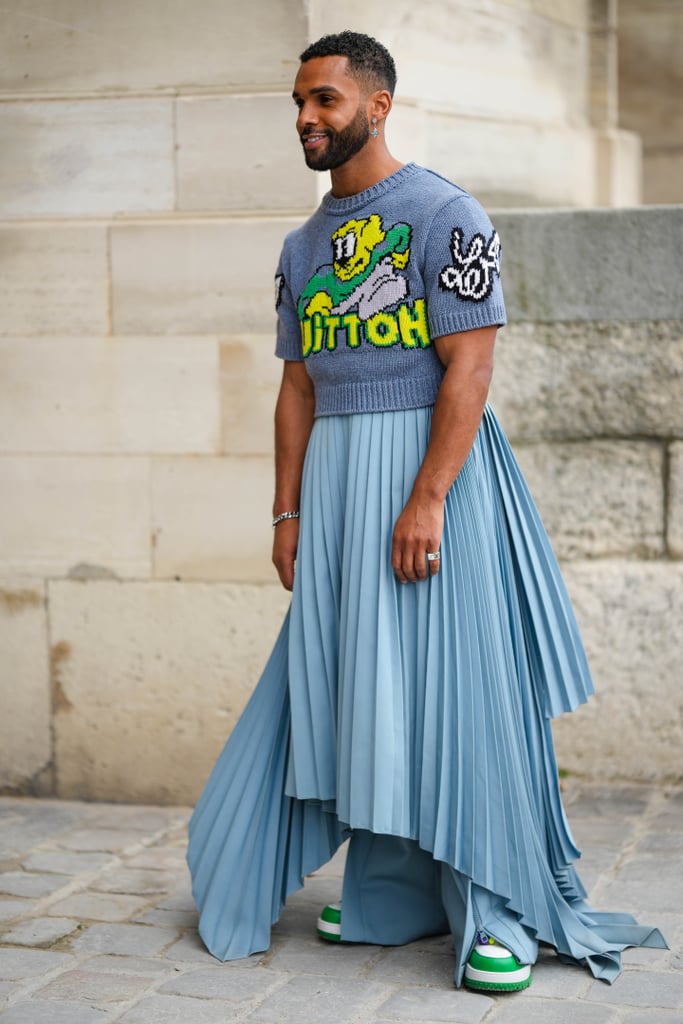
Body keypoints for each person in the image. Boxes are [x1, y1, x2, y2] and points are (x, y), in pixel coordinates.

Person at [187, 30, 666, 992]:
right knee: (364, 684)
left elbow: (472, 368)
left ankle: (495, 907)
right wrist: (286, 517)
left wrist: (428, 499)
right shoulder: (303, 245)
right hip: (332, 494)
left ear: (378, 103)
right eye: (298, 102)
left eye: (324, 100)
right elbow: (296, 389)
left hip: (428, 486)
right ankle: (395, 893)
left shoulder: (446, 213)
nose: (305, 119)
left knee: (457, 690)